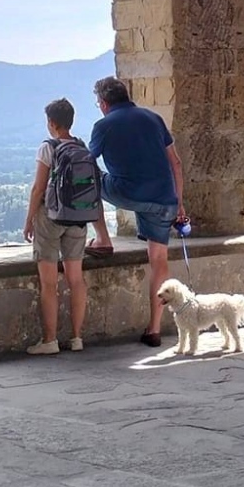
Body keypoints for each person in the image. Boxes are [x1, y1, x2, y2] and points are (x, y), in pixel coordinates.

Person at [88, 75, 186, 346]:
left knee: (90, 179)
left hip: (127, 193)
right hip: (164, 199)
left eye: (98, 103)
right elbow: (175, 164)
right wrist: (179, 203)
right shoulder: (153, 118)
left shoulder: (103, 125)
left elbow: (86, 164)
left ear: (105, 103)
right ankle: (153, 329)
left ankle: (103, 239)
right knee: (159, 262)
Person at [21, 98, 99, 355]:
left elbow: (38, 189)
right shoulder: (81, 146)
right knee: (76, 280)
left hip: (50, 219)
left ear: (52, 123)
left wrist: (30, 219)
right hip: (77, 219)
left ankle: (50, 340)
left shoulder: (48, 148)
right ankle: (77, 338)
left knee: (49, 283)